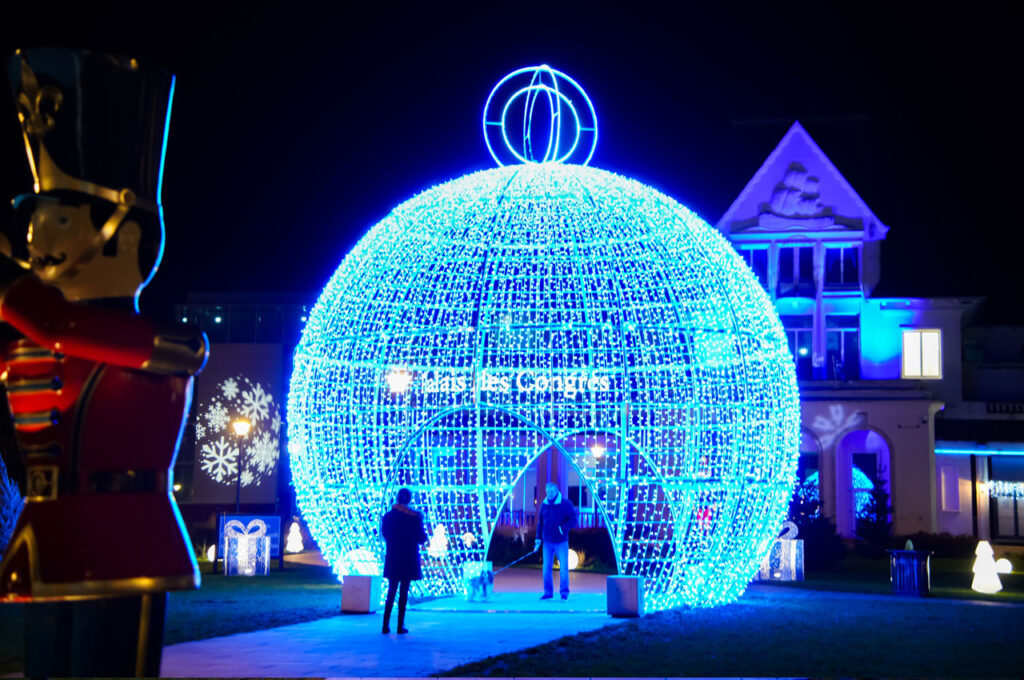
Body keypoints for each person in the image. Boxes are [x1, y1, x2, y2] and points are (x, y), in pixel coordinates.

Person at [381, 488, 427, 634]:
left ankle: (385, 625)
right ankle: (400, 626)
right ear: (409, 500)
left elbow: (385, 534)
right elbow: (421, 538)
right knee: (403, 592)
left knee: (391, 591)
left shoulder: (388, 516)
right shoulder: (414, 517)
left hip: (393, 557)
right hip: (408, 558)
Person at [536, 482, 576, 600]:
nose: (549, 494)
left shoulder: (565, 504)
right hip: (547, 542)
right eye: (548, 492)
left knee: (563, 568)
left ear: (557, 491)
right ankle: (548, 593)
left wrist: (562, 528)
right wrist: (538, 539)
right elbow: (540, 523)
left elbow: (573, 519)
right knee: (546, 568)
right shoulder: (544, 505)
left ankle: (564, 593)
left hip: (561, 541)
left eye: (552, 491)